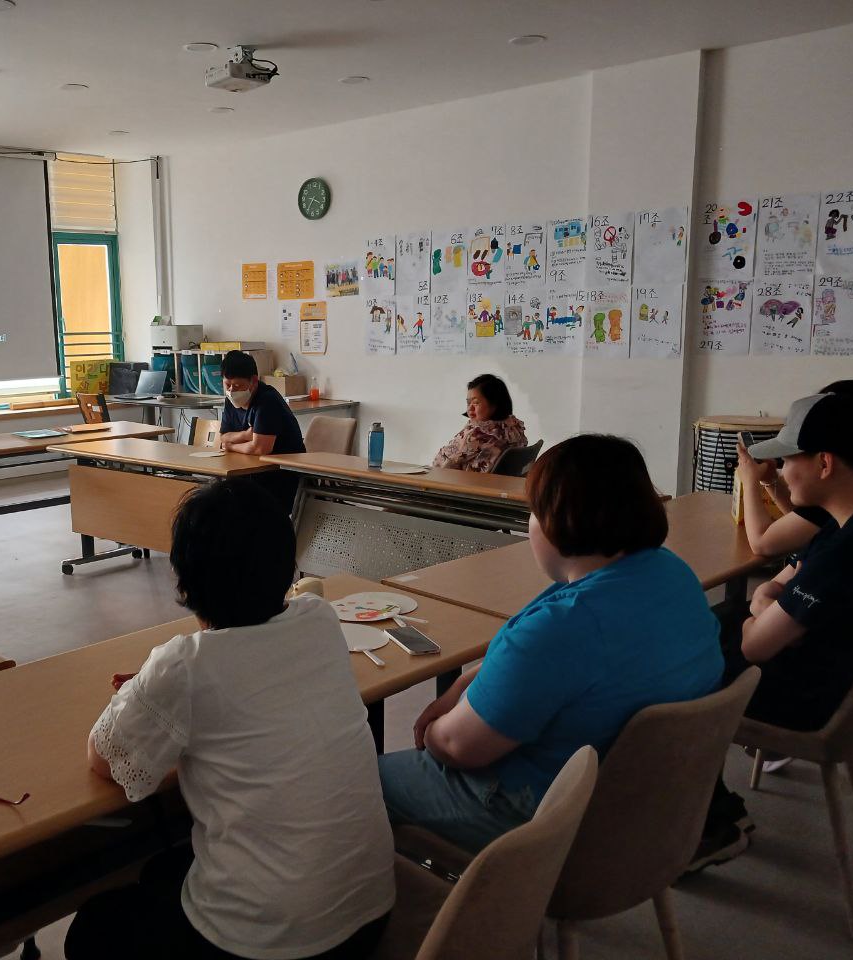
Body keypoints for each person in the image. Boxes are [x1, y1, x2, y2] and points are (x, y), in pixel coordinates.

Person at [67, 479, 393, 960]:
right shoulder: (321, 620)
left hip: (269, 944)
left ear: (182, 581)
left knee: (94, 926)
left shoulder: (184, 665)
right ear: (289, 567)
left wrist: (149, 691)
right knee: (164, 869)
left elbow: (104, 759)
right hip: (370, 914)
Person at [379, 435, 723, 853]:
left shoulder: (566, 626)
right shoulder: (671, 574)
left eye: (532, 512)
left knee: (355, 784)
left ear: (557, 521)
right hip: (643, 812)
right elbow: (540, 671)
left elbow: (459, 747)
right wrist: (462, 687)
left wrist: (432, 732)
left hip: (549, 822)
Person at [694, 391, 853, 869]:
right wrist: (766, 601)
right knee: (704, 630)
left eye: (787, 458)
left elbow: (757, 643)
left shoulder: (851, 550)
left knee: (668, 671)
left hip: (809, 700)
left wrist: (760, 602)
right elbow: (783, 583)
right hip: (839, 678)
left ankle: (710, 826)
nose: (779, 470)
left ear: (824, 464)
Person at [735, 379, 853, 558]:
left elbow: (762, 544)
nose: (784, 470)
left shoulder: (844, 493)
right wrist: (770, 480)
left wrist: (750, 482)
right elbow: (804, 514)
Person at [219, 350, 307, 507]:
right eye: (227, 384)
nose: (232, 391)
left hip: (280, 477)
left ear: (253, 381)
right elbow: (223, 437)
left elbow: (260, 448)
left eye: (238, 385)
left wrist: (231, 445)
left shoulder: (267, 401)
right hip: (250, 472)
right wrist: (245, 435)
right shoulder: (230, 400)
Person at [431, 374, 528, 473]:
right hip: (502, 485)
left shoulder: (477, 434)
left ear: (494, 404)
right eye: (468, 403)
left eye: (476, 403)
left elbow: (440, 465)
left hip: (466, 485)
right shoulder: (514, 427)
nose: (470, 409)